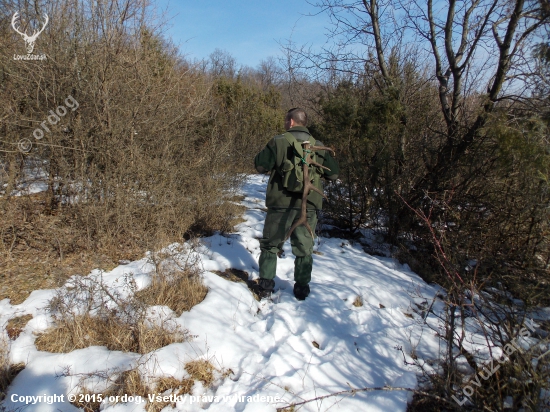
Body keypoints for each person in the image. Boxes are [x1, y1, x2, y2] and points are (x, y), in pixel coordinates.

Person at [254, 108, 339, 300]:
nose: (284, 124)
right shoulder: (319, 145)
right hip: (308, 204)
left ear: (291, 122)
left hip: (280, 204)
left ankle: (266, 286)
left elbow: (260, 166)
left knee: (270, 245)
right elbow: (333, 174)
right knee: (304, 247)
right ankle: (301, 288)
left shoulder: (278, 141)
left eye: (286, 121)